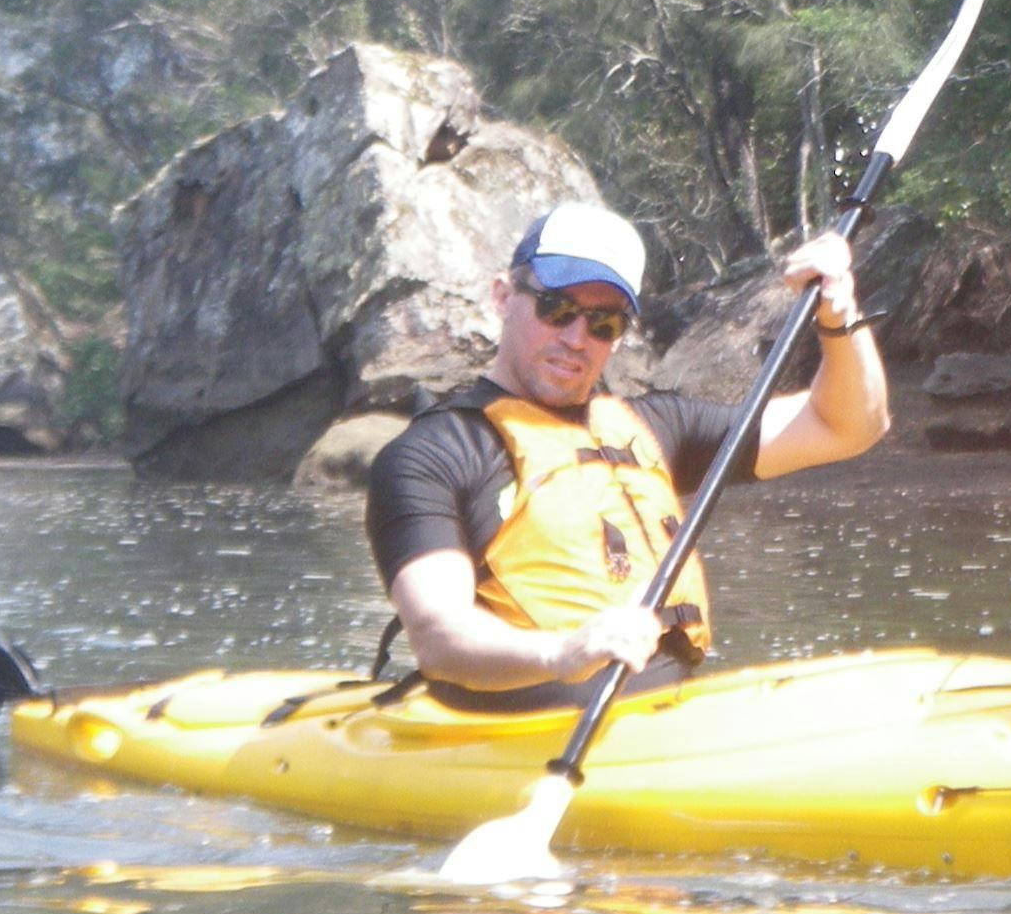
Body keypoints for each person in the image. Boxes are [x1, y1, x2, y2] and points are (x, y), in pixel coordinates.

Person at [367, 200, 887, 705]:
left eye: (604, 323)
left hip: (659, 712)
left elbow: (846, 427)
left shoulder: (655, 426)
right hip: (520, 730)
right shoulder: (432, 455)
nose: (576, 338)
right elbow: (439, 638)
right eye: (557, 308)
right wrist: (562, 653)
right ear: (504, 296)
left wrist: (838, 317)